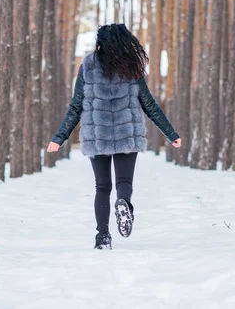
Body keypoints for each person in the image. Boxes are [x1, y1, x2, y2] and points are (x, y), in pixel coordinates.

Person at [47, 23, 181, 250]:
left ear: (100, 43)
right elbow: (148, 104)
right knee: (124, 182)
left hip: (97, 135)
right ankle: (124, 202)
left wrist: (59, 138)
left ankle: (103, 237)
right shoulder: (131, 67)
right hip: (126, 134)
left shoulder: (88, 66)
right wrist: (171, 134)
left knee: (102, 187)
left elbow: (76, 106)